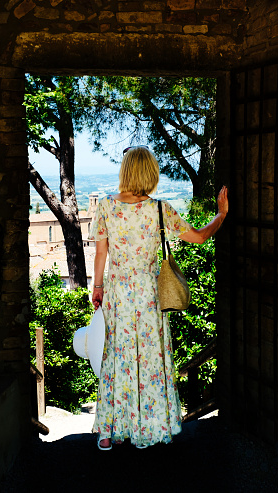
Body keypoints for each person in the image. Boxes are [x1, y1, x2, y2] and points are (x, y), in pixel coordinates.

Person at [88, 146, 228, 450]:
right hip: (149, 296)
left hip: (118, 294)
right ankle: (146, 429)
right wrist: (221, 215)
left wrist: (97, 287)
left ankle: (108, 432)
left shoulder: (106, 207)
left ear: (125, 170)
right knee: (149, 359)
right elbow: (200, 236)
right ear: (151, 173)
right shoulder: (160, 209)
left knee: (117, 359)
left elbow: (101, 253)